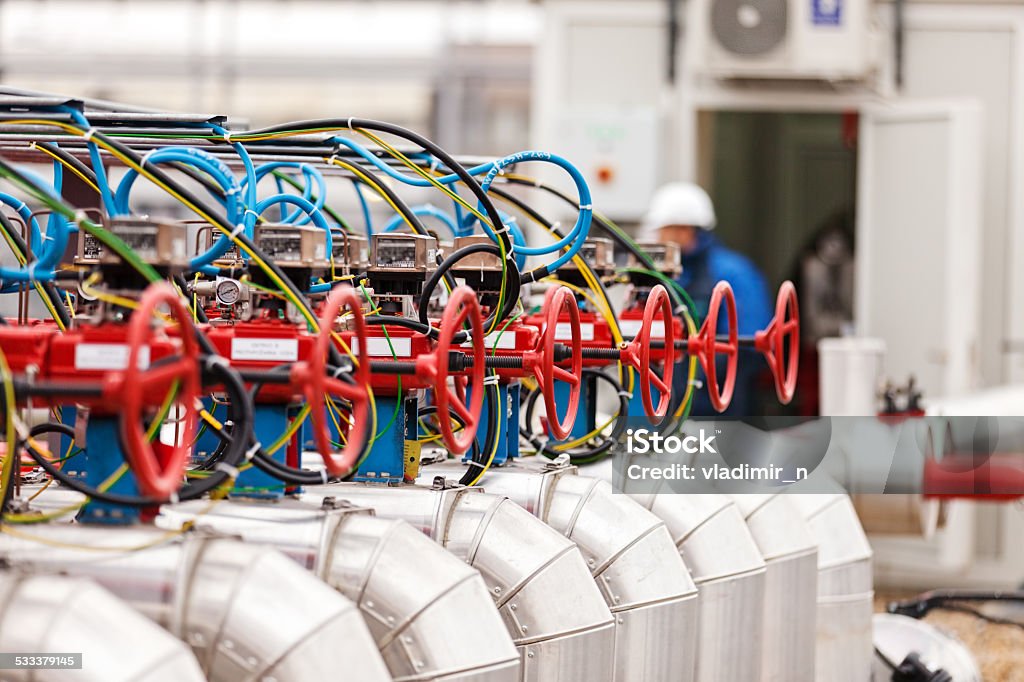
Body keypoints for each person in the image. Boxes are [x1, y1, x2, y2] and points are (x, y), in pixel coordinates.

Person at [640, 182, 772, 416]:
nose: (658, 237)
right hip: (663, 406)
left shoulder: (734, 273)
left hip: (721, 411)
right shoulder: (657, 275)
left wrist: (696, 380)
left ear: (684, 229)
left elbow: (747, 342)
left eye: (664, 229)